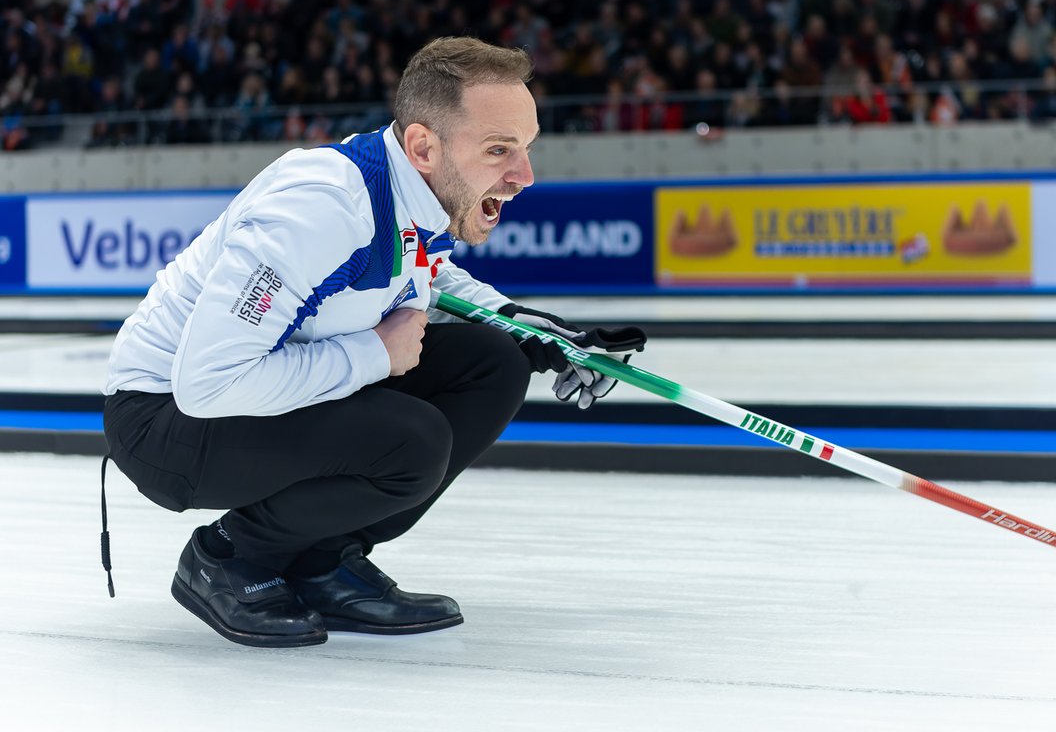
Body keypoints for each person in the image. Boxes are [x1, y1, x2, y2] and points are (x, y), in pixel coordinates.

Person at [101, 37, 647, 648]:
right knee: (410, 441)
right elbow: (207, 384)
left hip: (240, 395)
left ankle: (321, 562)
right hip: (164, 421)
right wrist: (375, 355)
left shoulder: (411, 191)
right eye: (499, 150)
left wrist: (522, 325)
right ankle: (229, 558)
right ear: (424, 147)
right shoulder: (320, 209)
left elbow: (428, 270)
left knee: (494, 363)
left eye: (526, 149)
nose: (524, 177)